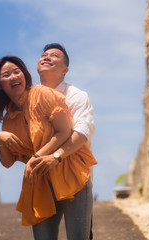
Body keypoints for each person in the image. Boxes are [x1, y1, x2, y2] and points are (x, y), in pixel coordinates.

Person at [0, 56, 97, 240]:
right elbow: (7, 162)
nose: (13, 77)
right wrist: (0, 138)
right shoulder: (9, 120)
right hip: (40, 184)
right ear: (0, 85)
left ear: (24, 75)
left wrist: (36, 156)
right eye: (7, 75)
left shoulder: (42, 94)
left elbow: (64, 131)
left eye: (17, 72)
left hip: (71, 174)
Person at [30, 43, 95, 239]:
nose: (47, 57)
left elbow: (83, 131)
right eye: (44, 55)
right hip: (42, 180)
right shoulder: (30, 98)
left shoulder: (76, 95)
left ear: (65, 69)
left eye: (54, 56)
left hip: (74, 178)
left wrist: (56, 156)